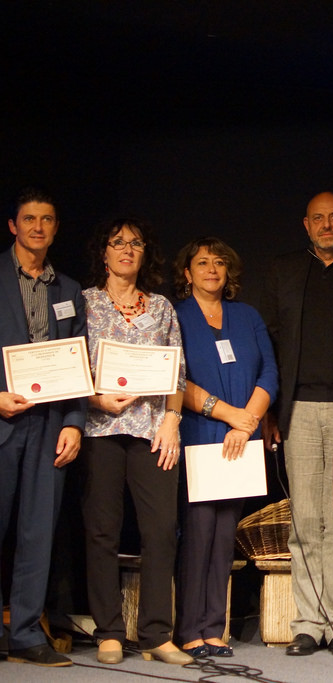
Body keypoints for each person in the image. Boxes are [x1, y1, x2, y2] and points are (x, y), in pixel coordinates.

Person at [79, 217, 190, 666]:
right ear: (103, 253)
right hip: (99, 429)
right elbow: (71, 368)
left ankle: (156, 635)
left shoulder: (161, 307)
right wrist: (96, 398)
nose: (127, 249)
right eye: (118, 242)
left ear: (145, 254)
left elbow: (177, 373)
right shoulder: (85, 302)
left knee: (161, 530)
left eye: (136, 243)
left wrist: (172, 420)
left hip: (152, 430)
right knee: (102, 531)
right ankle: (108, 631)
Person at [259, 192, 333, 657]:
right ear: (306, 224)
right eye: (318, 219)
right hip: (297, 410)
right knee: (303, 522)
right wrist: (270, 410)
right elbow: (268, 343)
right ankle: (307, 623)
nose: (327, 225)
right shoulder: (283, 270)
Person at [173, 237, 278, 658]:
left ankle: (215, 627)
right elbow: (174, 378)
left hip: (242, 440)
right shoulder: (175, 316)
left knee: (223, 538)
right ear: (187, 273)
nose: (211, 269)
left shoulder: (247, 316)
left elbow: (269, 372)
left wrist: (247, 421)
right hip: (199, 436)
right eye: (202, 263)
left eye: (218, 262)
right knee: (198, 534)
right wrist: (230, 415)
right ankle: (189, 629)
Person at [0, 188, 85, 667]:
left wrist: (73, 422)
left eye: (47, 219)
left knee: (38, 534)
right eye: (29, 219)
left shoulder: (67, 289)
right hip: (3, 418)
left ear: (55, 228)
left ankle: (27, 633)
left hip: (50, 425)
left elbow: (79, 360)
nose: (38, 227)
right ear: (13, 226)